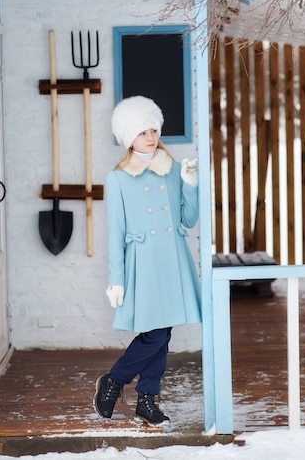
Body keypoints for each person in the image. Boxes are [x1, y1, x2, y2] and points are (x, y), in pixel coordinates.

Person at [94, 95, 201, 425]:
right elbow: (116, 232)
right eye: (142, 132)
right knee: (156, 334)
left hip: (172, 258)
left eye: (154, 129)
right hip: (142, 262)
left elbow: (188, 219)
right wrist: (116, 279)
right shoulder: (119, 178)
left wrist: (190, 185)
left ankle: (146, 400)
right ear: (129, 138)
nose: (151, 137)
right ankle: (116, 380)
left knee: (162, 333)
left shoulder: (172, 169)